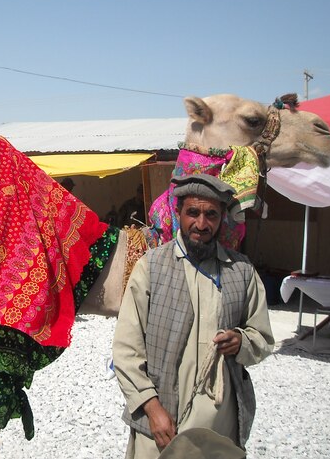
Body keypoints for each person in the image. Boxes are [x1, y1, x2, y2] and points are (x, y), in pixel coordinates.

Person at [112, 173, 274, 458]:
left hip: (219, 427)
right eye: (193, 212)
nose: (201, 224)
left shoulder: (241, 271)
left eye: (211, 214)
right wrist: (152, 408)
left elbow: (262, 339)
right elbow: (126, 350)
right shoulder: (152, 267)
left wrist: (241, 341)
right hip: (161, 423)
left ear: (222, 217)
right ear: (178, 213)